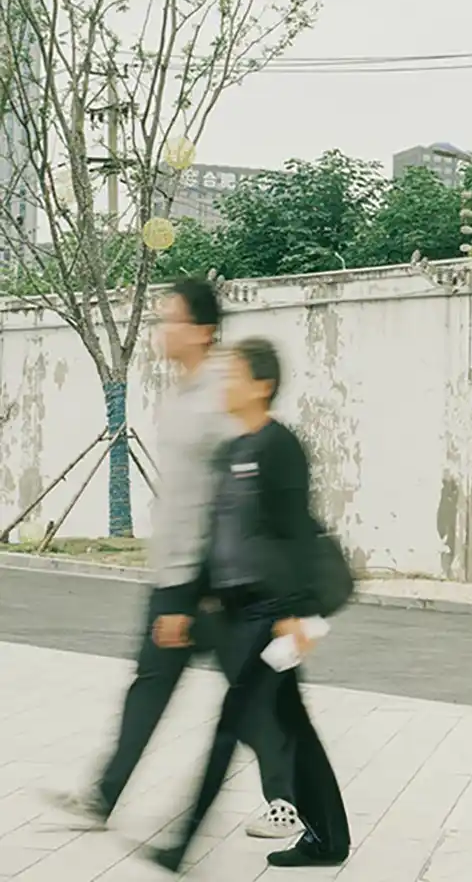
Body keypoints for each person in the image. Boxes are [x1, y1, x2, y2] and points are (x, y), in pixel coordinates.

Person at [47, 277, 301, 843]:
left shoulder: (221, 392)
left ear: (203, 331)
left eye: (172, 320)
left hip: (213, 580)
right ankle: (105, 794)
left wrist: (200, 592)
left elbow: (234, 493)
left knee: (250, 693)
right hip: (176, 574)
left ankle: (287, 801)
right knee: (151, 685)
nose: (163, 330)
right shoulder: (181, 390)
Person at [147, 336, 350, 872]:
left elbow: (295, 535)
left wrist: (298, 611)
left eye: (233, 375)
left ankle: (182, 844)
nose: (225, 384)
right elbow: (216, 544)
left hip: (271, 616)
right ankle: (329, 839)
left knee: (229, 725)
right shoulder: (232, 451)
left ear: (261, 386)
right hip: (236, 615)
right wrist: (187, 606)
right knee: (294, 729)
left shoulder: (279, 448)